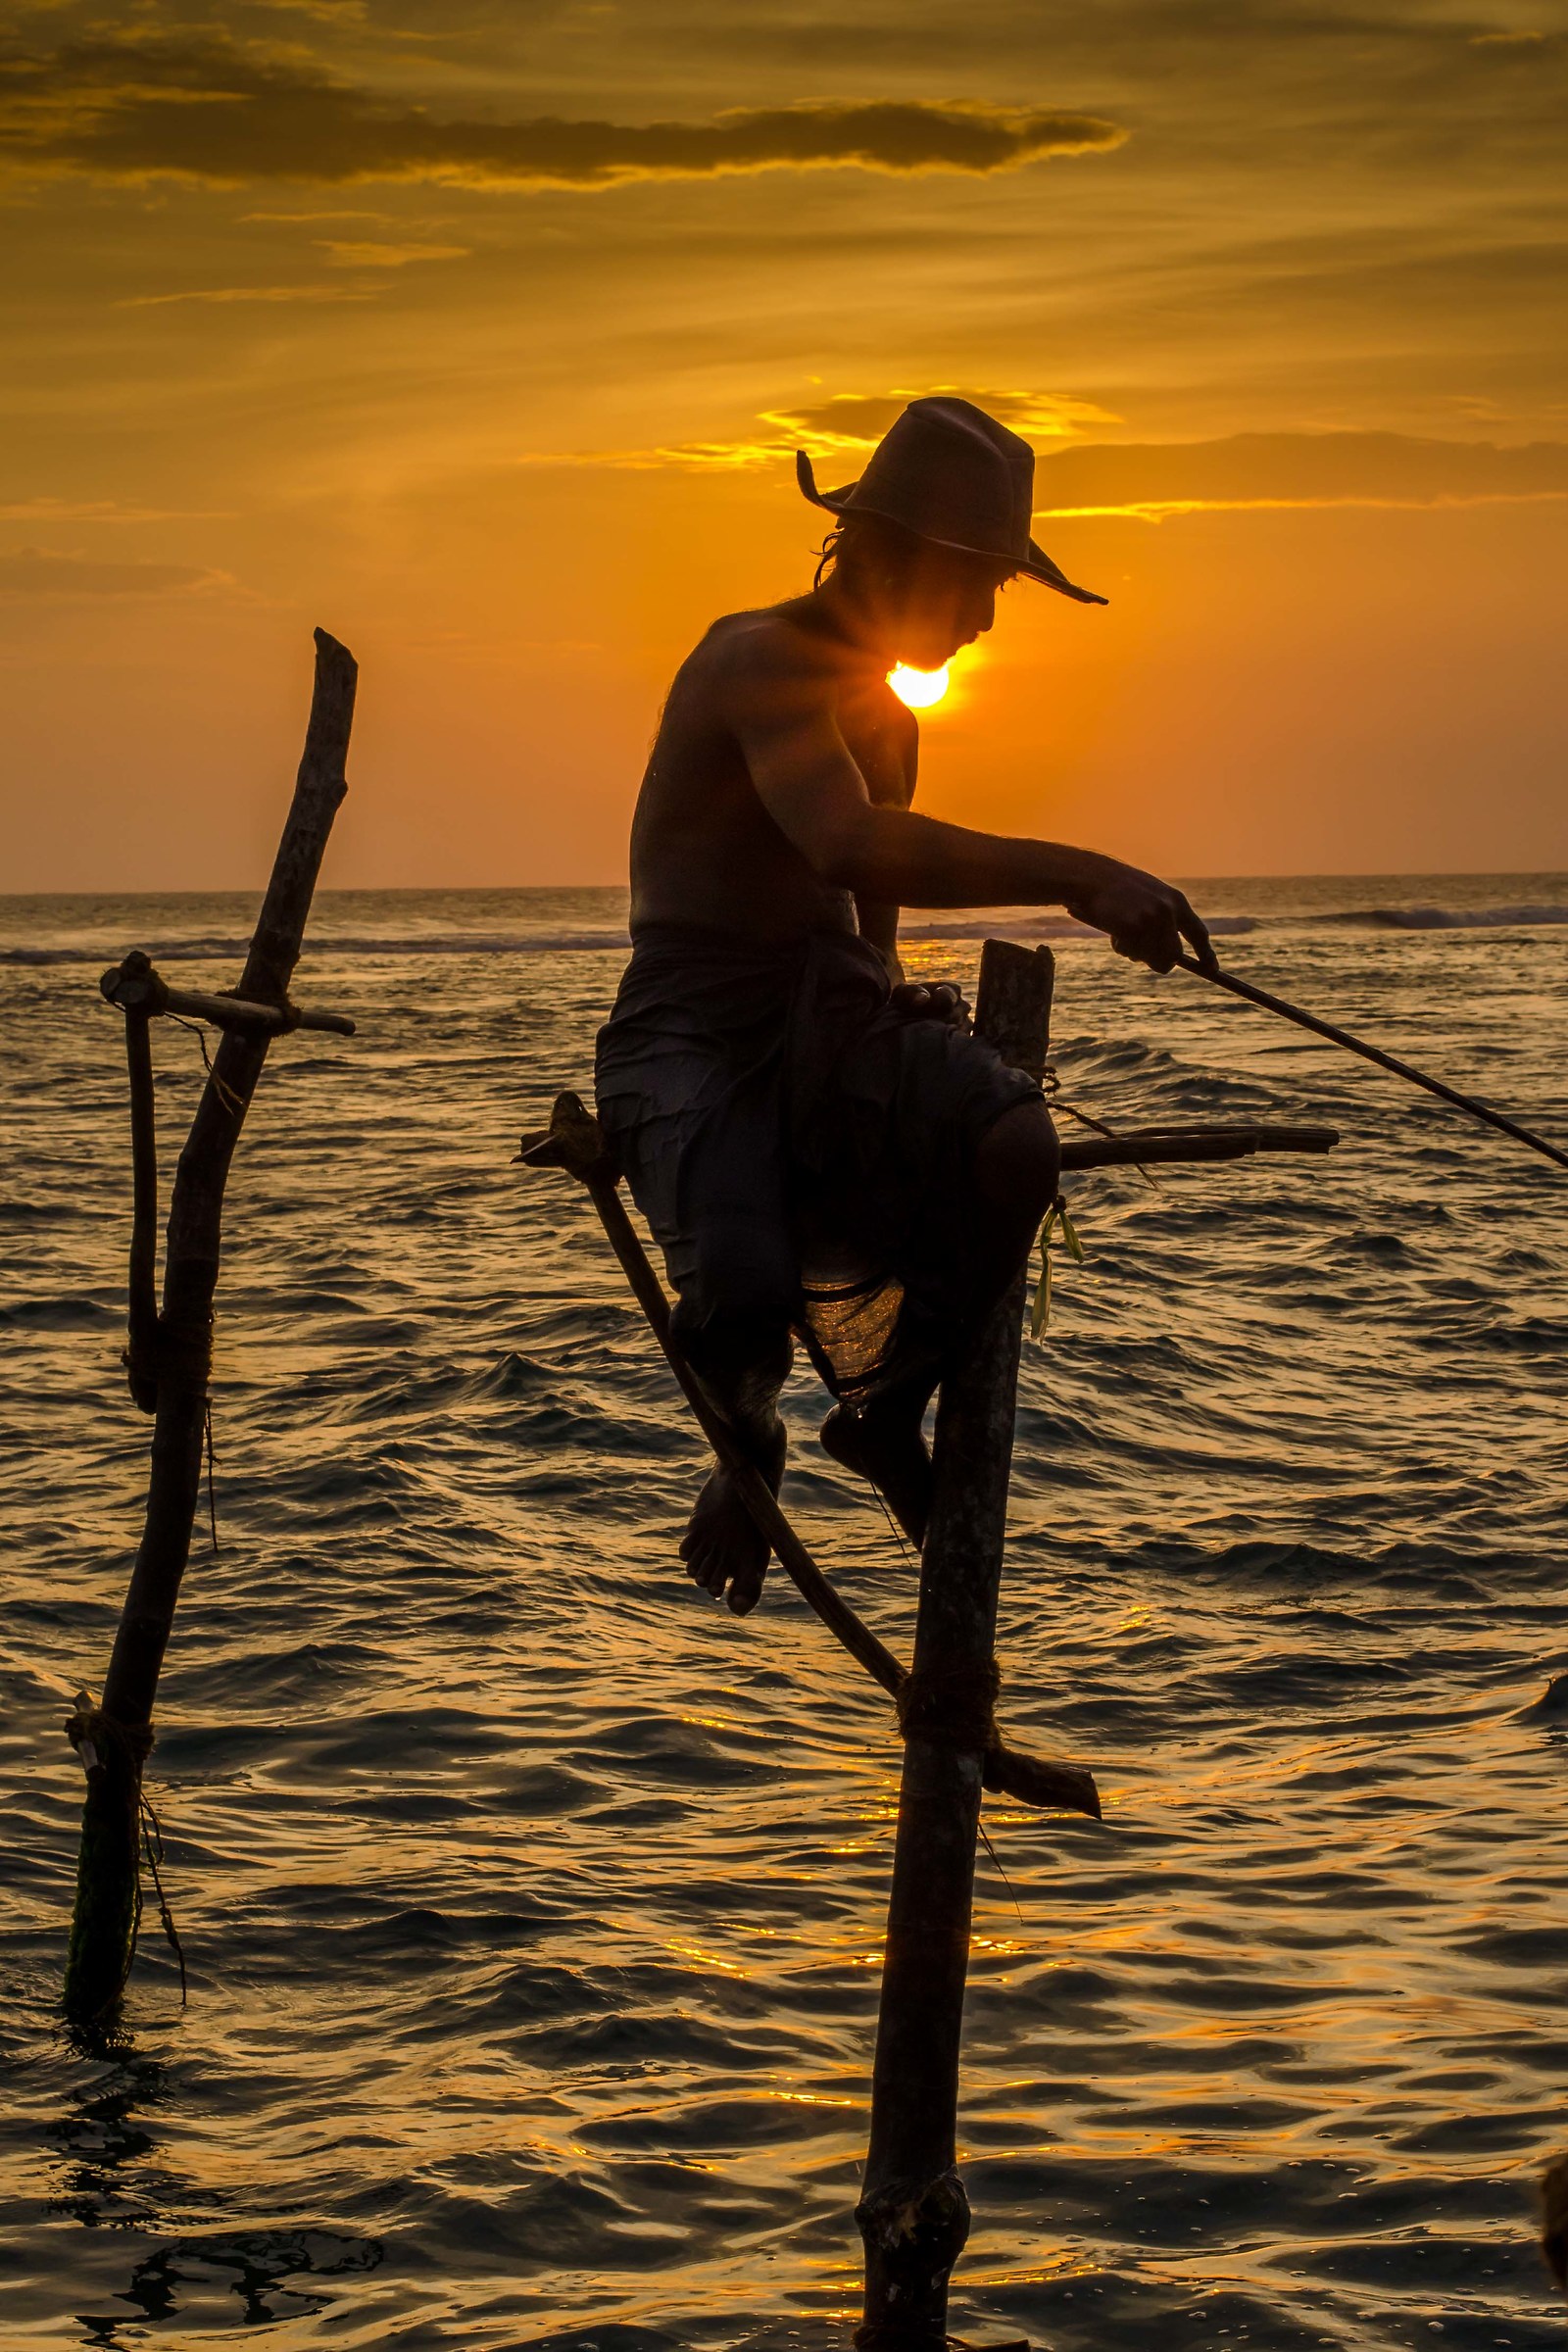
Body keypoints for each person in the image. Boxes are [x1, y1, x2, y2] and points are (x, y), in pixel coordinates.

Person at [595, 397, 1214, 1615]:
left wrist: (887, 993)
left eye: (998, 589)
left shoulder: (884, 704)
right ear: (879, 553)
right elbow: (847, 843)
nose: (983, 618)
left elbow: (865, 915)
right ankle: (751, 1435)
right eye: (971, 582)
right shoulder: (758, 657)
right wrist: (1082, 874)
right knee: (743, 1295)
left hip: (825, 1009)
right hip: (690, 1022)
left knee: (1013, 1143)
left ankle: (887, 1412)